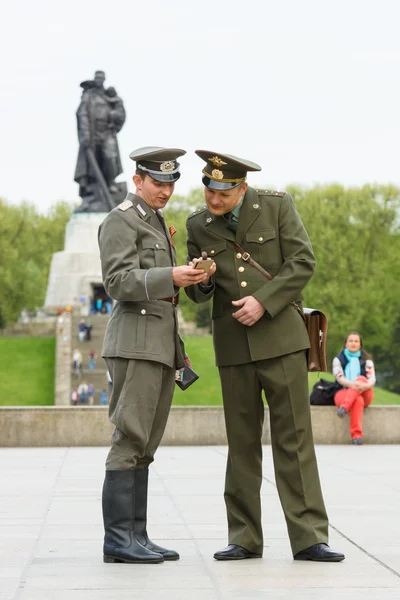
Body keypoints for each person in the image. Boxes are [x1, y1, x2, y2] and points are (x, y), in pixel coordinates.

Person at [185, 150, 344, 562]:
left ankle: (309, 537)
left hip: (282, 341)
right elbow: (197, 295)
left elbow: (303, 262)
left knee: (294, 439)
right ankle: (243, 536)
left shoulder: (276, 206)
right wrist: (201, 280)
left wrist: (264, 301)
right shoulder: (197, 225)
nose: (212, 199)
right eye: (208, 188)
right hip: (234, 348)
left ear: (242, 187)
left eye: (222, 191)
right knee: (241, 444)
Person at [98, 146, 210, 565]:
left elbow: (167, 292)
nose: (166, 190)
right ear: (138, 181)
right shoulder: (120, 220)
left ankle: (137, 536)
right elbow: (117, 281)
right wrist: (171, 274)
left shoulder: (156, 222)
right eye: (158, 183)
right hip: (134, 344)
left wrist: (194, 276)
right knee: (130, 436)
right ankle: (117, 541)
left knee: (146, 443)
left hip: (160, 345)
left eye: (171, 183)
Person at [74, 70, 126, 196]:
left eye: (101, 78)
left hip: (107, 132)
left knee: (110, 157)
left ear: (104, 79)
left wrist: (115, 118)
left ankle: (111, 183)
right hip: (92, 135)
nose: (99, 80)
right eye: (97, 77)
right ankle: (93, 189)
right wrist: (85, 134)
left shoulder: (109, 96)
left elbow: (121, 112)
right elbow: (82, 114)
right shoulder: (89, 95)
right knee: (93, 164)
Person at [333, 331, 375, 445]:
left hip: (365, 392)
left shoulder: (367, 360)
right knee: (358, 400)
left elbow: (372, 379)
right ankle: (356, 436)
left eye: (356, 341)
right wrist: (354, 385)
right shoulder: (338, 360)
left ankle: (344, 408)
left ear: (360, 345)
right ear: (345, 344)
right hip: (343, 392)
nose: (353, 343)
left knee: (361, 378)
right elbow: (339, 378)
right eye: (350, 341)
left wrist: (363, 385)